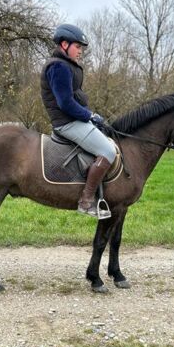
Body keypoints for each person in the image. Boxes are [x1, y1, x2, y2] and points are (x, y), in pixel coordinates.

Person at [40, 23, 117, 218]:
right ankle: (86, 201)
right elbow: (65, 103)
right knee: (108, 151)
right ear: (64, 44)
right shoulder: (58, 67)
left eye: (81, 48)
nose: (80, 51)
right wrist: (89, 115)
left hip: (75, 120)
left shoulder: (66, 65)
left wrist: (88, 115)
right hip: (67, 123)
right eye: (78, 46)